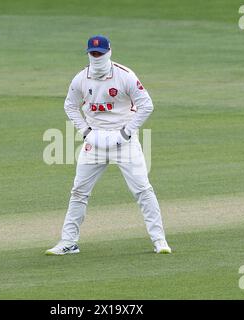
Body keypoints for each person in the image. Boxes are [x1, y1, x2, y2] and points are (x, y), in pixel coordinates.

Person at [45, 35, 171, 255]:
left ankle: (160, 241)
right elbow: (70, 106)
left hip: (123, 141)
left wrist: (126, 133)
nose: (97, 57)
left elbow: (146, 105)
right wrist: (85, 132)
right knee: (79, 192)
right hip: (94, 141)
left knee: (142, 189)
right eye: (93, 54)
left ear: (109, 52)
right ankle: (68, 242)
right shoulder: (80, 79)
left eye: (100, 53)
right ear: (88, 54)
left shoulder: (125, 76)